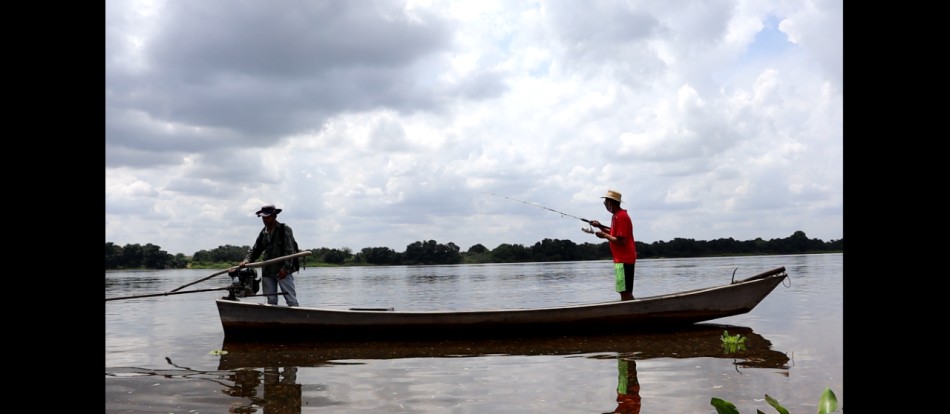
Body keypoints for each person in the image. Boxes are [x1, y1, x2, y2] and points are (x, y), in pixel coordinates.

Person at [240, 204, 299, 306]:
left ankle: (298, 318)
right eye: (263, 218)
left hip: (283, 270)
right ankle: (272, 319)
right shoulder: (263, 232)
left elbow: (290, 251)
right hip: (268, 270)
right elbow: (255, 250)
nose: (265, 220)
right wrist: (246, 261)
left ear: (274, 216)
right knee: (271, 300)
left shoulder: (284, 230)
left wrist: (285, 268)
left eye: (267, 217)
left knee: (290, 299)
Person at [589, 189, 638, 301]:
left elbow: (622, 241)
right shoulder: (616, 216)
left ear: (611, 202)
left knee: (625, 291)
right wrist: (600, 226)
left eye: (606, 202)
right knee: (622, 290)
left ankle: (632, 312)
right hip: (619, 260)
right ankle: (628, 311)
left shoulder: (621, 217)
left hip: (624, 260)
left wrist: (604, 236)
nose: (605, 205)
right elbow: (613, 233)